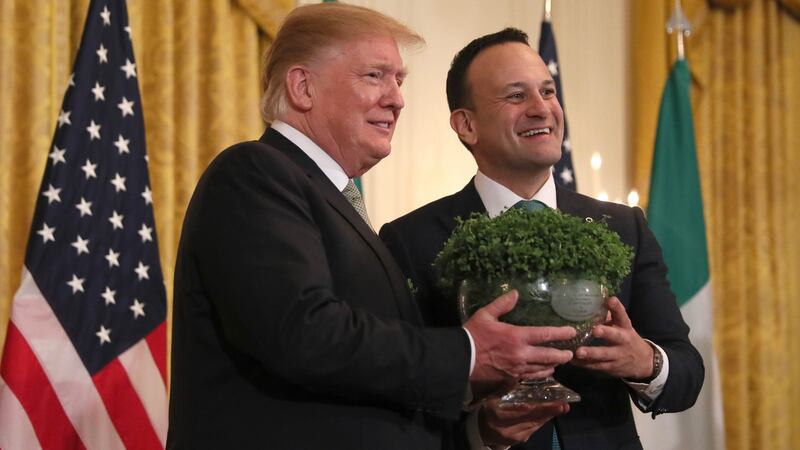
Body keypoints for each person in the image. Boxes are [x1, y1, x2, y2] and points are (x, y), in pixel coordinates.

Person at [167, 7, 577, 450]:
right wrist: (470, 353)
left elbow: (366, 375)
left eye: (398, 80)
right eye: (374, 76)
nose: (397, 99)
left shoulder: (335, 199)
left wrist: (478, 422)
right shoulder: (254, 173)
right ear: (303, 87)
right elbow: (305, 334)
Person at [379, 28, 704, 450]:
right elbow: (402, 392)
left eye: (548, 91)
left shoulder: (623, 227)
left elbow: (687, 374)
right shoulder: (410, 240)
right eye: (516, 96)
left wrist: (644, 360)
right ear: (466, 124)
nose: (542, 109)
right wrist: (479, 430)